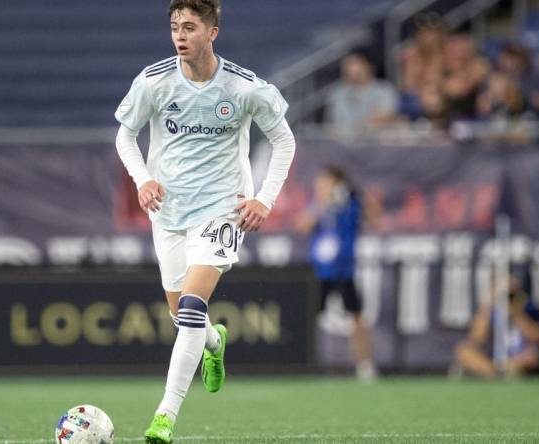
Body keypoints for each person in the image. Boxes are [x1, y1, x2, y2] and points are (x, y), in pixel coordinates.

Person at [114, 1, 296, 442]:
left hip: (221, 209)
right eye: (175, 26)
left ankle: (165, 416)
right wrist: (143, 179)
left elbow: (283, 140)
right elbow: (125, 135)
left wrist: (264, 199)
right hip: (169, 213)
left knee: (192, 307)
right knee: (184, 317)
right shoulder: (154, 81)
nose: (180, 35)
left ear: (212, 33)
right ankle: (214, 342)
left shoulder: (243, 88)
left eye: (190, 27)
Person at [295, 165, 377, 381]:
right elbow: (302, 227)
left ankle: (364, 365)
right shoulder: (319, 206)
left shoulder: (351, 203)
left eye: (326, 183)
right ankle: (304, 363)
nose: (321, 187)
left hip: (344, 269)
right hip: (321, 272)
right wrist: (322, 203)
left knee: (357, 317)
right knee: (308, 318)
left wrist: (357, 196)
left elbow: (374, 220)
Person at [452, 277, 539, 379]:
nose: (506, 298)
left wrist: (516, 312)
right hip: (492, 359)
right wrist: (489, 303)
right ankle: (496, 373)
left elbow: (538, 336)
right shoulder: (490, 311)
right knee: (464, 351)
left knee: (533, 356)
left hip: (517, 357)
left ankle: (504, 372)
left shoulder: (530, 310)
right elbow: (476, 338)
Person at [326, 51, 399, 141]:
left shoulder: (384, 89)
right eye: (348, 65)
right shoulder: (337, 92)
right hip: (345, 145)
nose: (352, 69)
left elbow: (384, 116)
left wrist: (358, 128)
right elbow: (335, 122)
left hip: (377, 143)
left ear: (369, 66)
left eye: (356, 64)